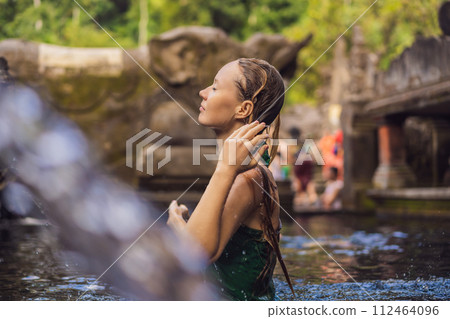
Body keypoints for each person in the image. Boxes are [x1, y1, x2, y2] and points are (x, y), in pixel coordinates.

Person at [166, 58, 294, 300]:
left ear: (243, 109)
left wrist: (176, 225)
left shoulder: (248, 180)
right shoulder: (250, 172)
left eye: (214, 87)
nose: (202, 92)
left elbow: (194, 254)